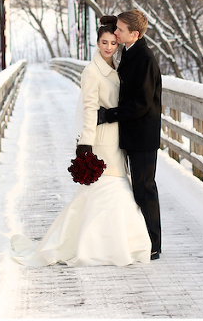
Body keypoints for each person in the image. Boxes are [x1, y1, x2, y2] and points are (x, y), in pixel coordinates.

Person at [11, 16, 152, 266]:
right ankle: (109, 247)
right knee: (111, 191)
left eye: (113, 42)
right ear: (97, 43)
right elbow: (90, 109)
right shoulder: (91, 71)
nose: (108, 47)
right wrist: (85, 145)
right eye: (104, 42)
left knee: (101, 193)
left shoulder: (116, 67)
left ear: (118, 44)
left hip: (116, 139)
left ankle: (111, 244)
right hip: (101, 141)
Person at [97, 10, 163, 260]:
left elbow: (142, 103)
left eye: (120, 30)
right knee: (138, 189)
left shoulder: (144, 58)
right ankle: (142, 239)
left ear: (134, 34)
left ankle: (153, 244)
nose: (115, 33)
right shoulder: (130, 51)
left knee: (145, 188)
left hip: (143, 135)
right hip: (132, 134)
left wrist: (109, 115)